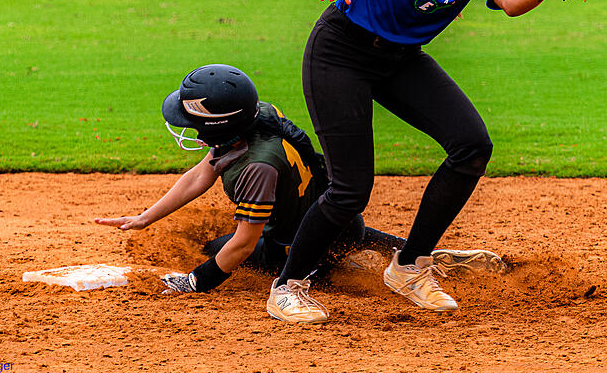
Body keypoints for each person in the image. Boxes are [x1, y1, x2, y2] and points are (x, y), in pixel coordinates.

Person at [265, 0, 566, 323]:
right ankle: (288, 285)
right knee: (350, 189)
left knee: (471, 144)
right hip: (341, 50)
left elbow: (511, 0)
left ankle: (409, 265)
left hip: (400, 59)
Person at [95, 64, 503, 312]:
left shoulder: (256, 169)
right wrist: (146, 217)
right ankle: (415, 255)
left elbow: (241, 245)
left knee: (216, 248)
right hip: (342, 220)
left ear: (219, 124)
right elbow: (203, 172)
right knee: (341, 232)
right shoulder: (260, 118)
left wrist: (194, 282)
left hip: (300, 246)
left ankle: (344, 267)